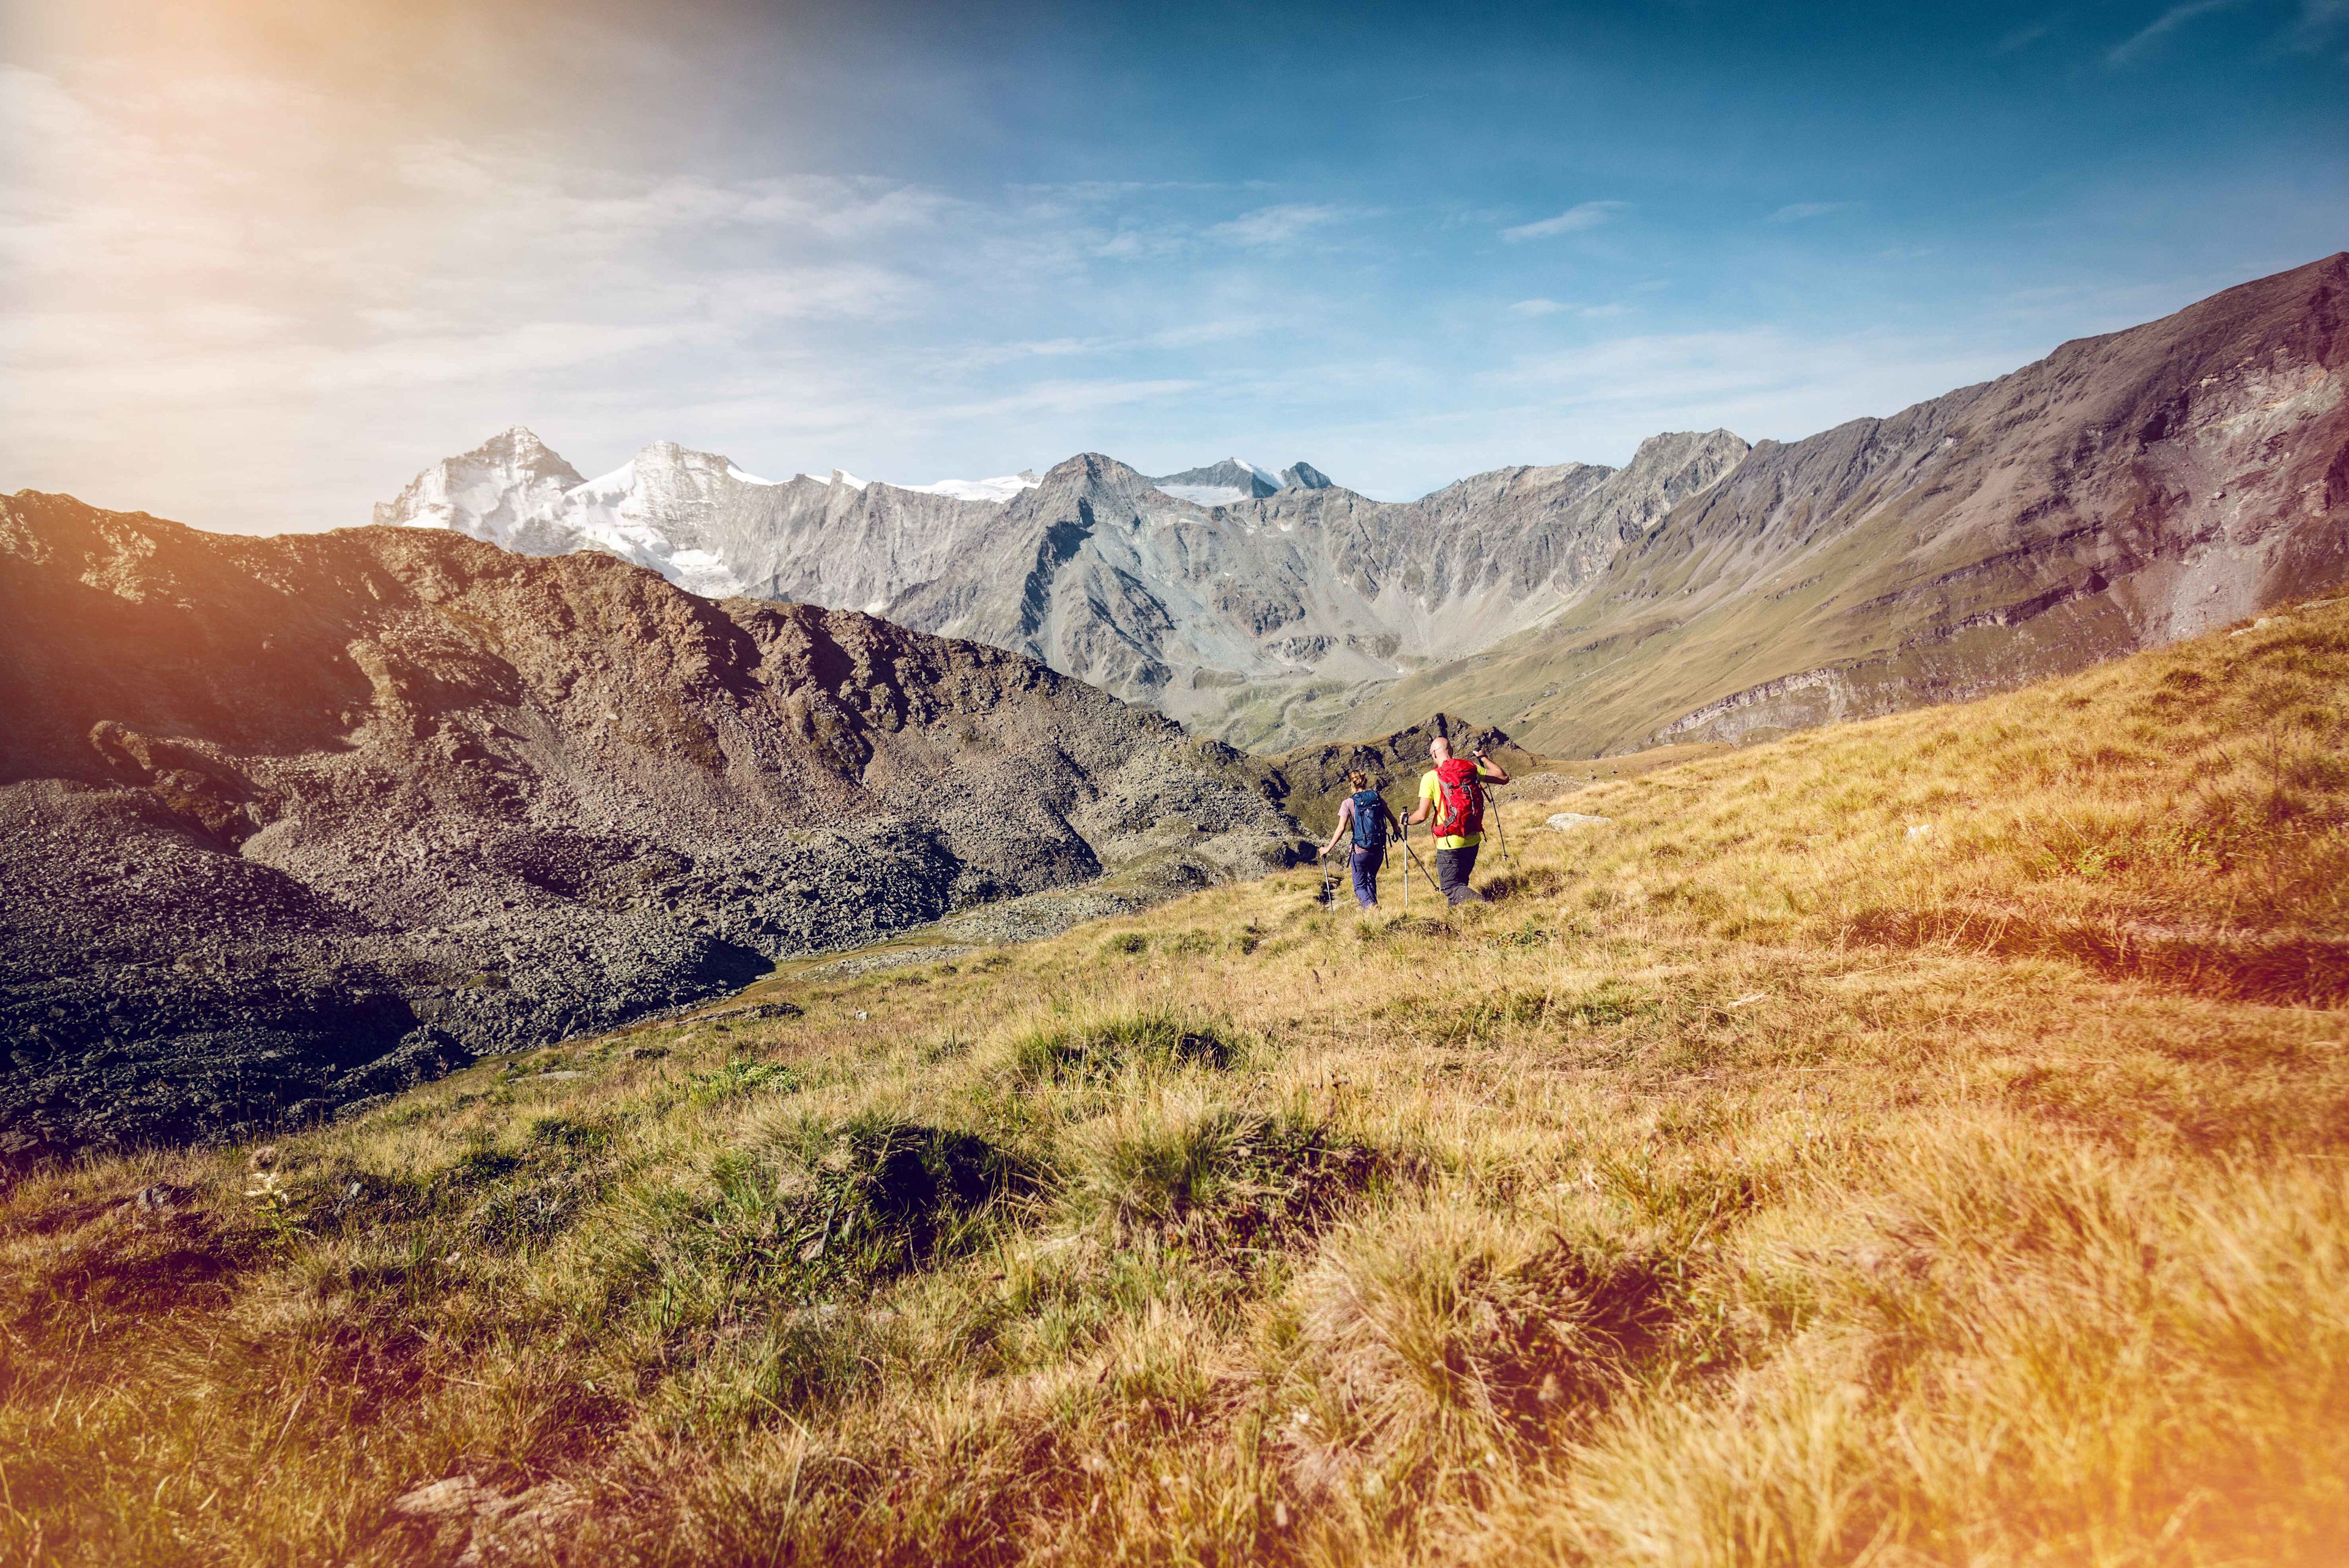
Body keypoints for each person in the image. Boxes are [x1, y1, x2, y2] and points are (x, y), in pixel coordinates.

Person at [1409, 734, 1509, 904]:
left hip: (1450, 844)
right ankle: (1461, 925)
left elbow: (1421, 816)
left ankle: (1487, 906)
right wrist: (1483, 757)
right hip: (1472, 839)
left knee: (1450, 887)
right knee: (1460, 886)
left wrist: (1406, 820)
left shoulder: (1430, 777)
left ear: (1434, 754)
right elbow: (1503, 777)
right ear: (1452, 751)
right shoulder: (1470, 768)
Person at [1319, 768, 1400, 910]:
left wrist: (1328, 848)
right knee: (1370, 880)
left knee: (1359, 887)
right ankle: (1374, 914)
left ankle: (1370, 906)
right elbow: (1392, 819)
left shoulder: (1348, 803)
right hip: (1378, 849)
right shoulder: (1377, 798)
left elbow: (1341, 829)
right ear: (1365, 782)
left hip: (1360, 851)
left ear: (1352, 784)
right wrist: (1396, 829)